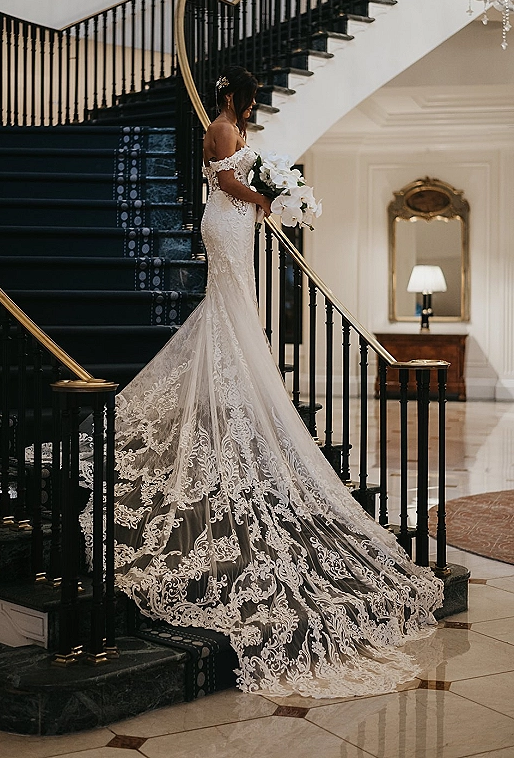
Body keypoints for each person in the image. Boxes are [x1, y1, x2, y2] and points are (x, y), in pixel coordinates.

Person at [86, 66, 444, 698]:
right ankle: (228, 379)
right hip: (227, 224)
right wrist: (266, 199)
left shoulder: (235, 127)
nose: (246, 109)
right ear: (239, 97)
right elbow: (227, 180)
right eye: (247, 99)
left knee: (230, 307)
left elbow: (242, 174)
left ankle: (233, 374)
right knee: (225, 306)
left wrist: (274, 192)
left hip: (235, 223)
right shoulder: (221, 128)